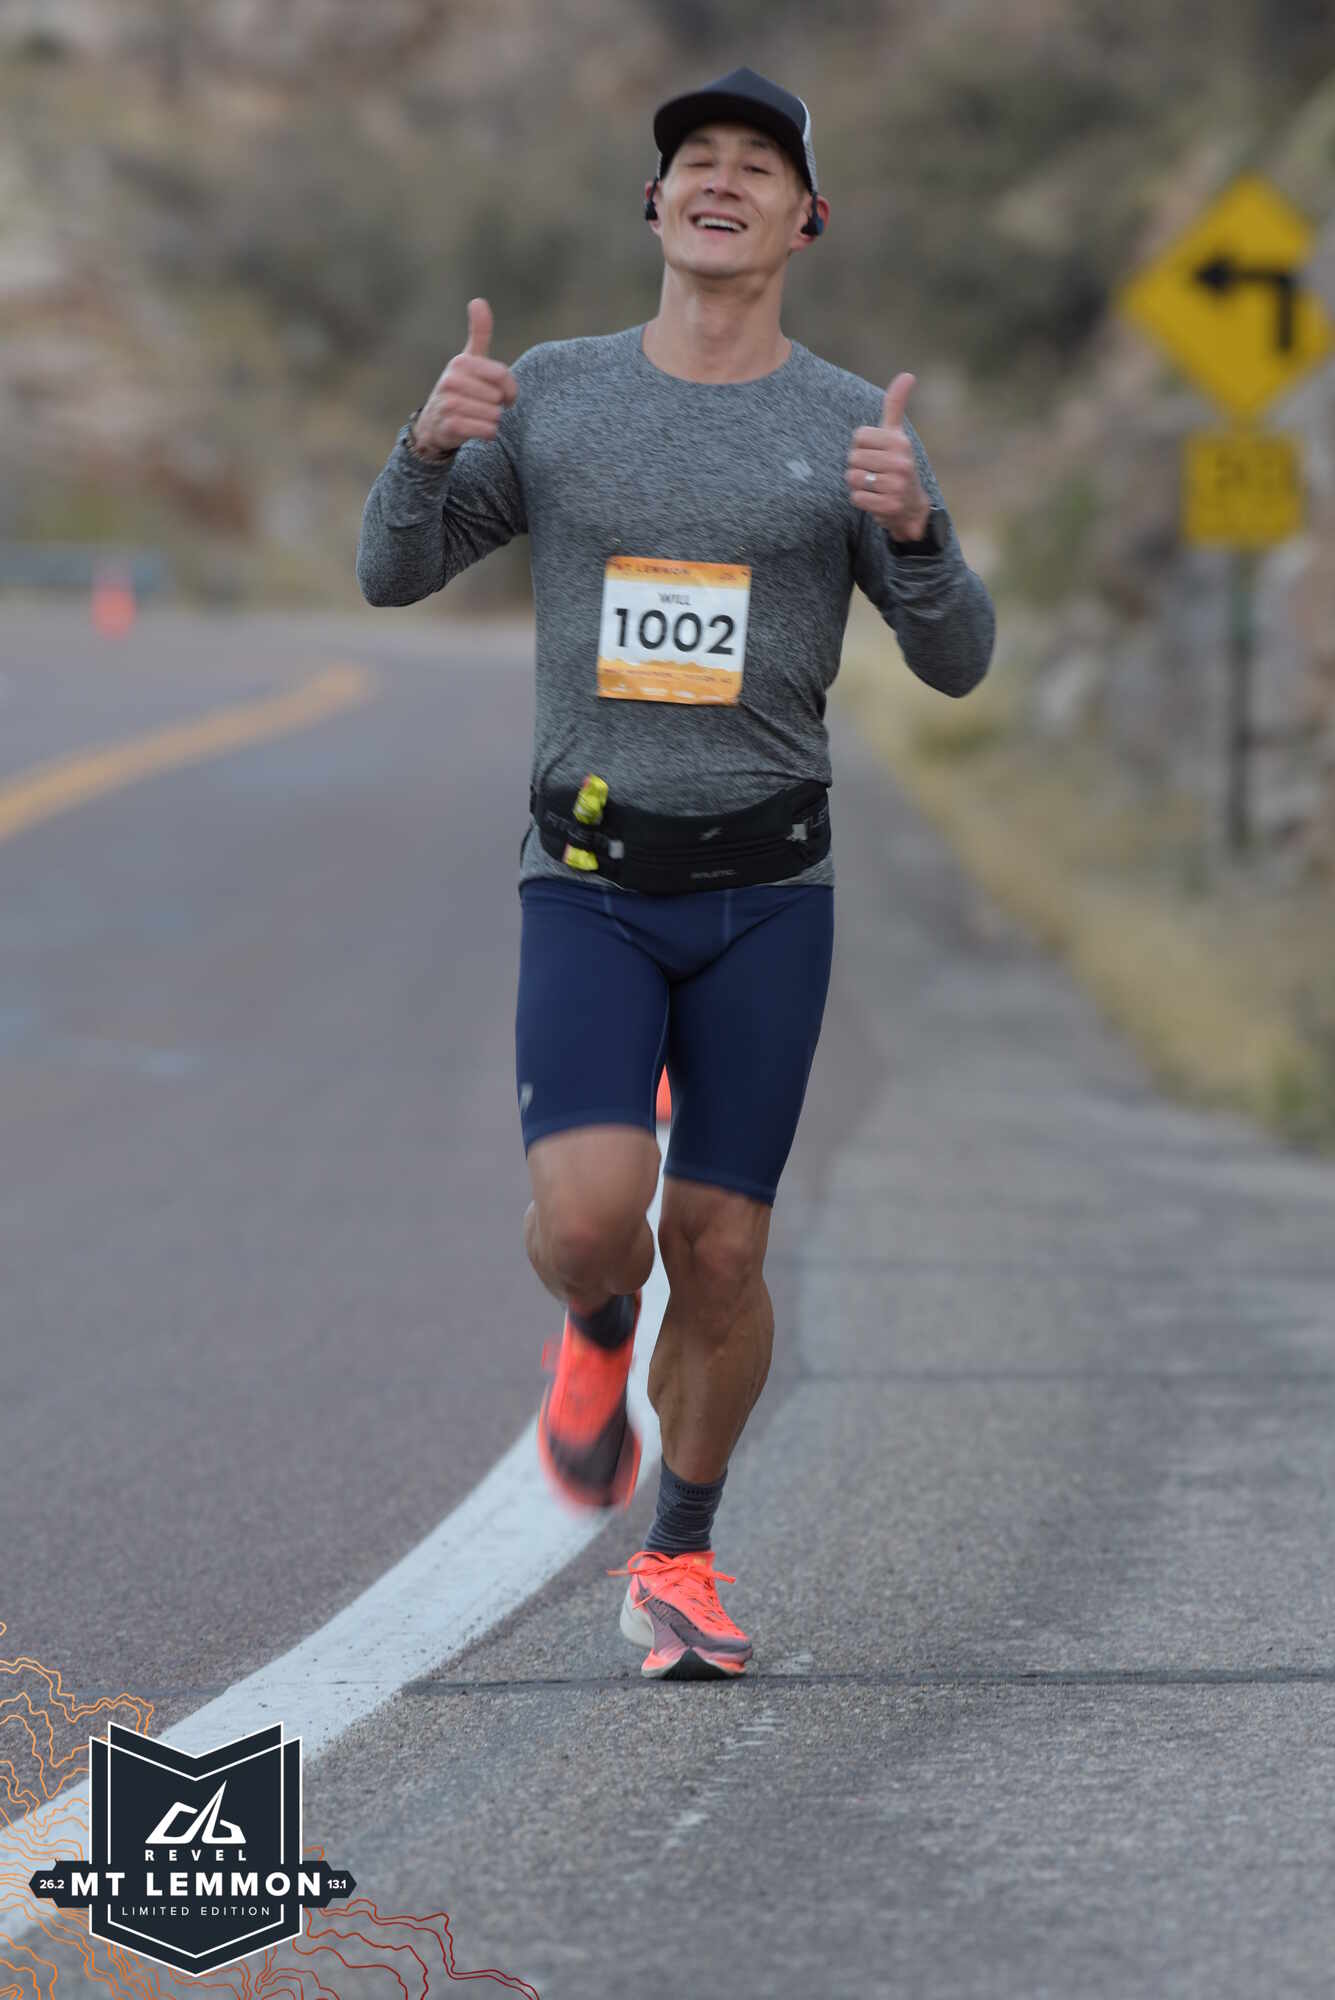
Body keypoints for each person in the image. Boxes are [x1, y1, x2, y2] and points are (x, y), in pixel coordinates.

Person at [356, 64, 996, 1679]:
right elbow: (389, 572)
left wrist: (921, 536)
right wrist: (424, 448)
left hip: (769, 893)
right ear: (655, 206)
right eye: (694, 158)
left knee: (721, 1249)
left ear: (805, 220)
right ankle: (591, 1333)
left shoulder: (851, 427)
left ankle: (682, 1557)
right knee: (596, 1226)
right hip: (589, 876)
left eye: (757, 165)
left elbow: (959, 663)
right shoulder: (556, 395)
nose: (721, 180)